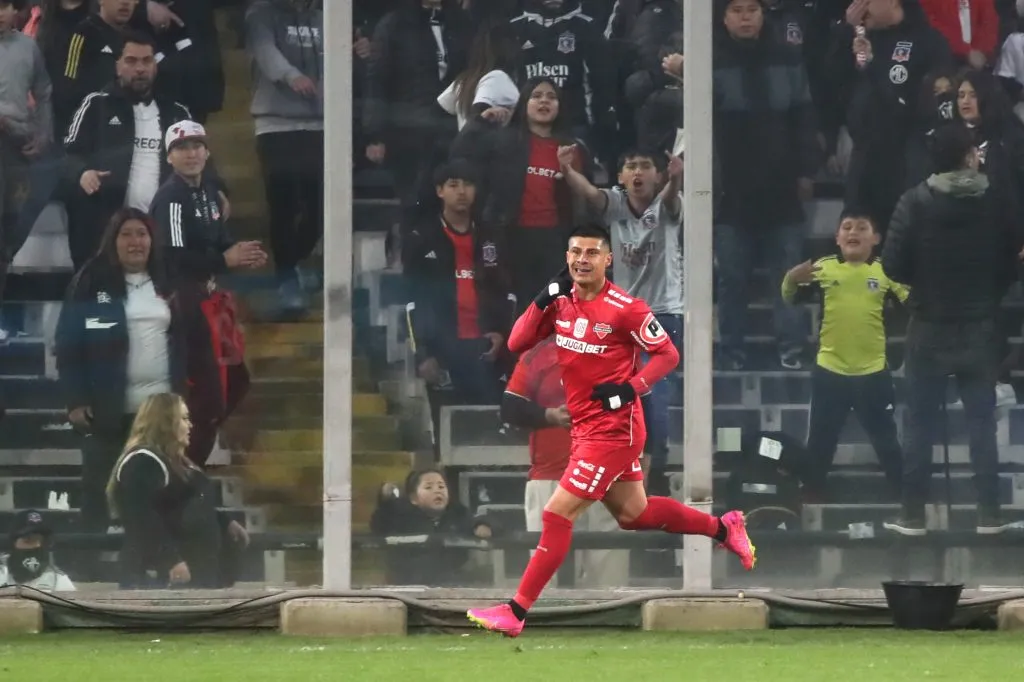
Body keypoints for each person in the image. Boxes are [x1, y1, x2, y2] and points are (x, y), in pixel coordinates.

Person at [466, 224, 755, 638]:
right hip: (587, 429)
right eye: (575, 252)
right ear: (567, 258)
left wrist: (629, 389)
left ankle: (516, 611)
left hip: (614, 431)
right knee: (633, 514)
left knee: (555, 513)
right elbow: (516, 342)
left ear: (608, 259)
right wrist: (542, 297)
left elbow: (667, 354)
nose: (582, 259)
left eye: (591, 252)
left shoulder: (626, 308)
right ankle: (724, 528)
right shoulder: (560, 304)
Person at [881, 123, 1021, 535]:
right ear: (966, 156)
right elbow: (1009, 261)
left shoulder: (914, 201)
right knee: (982, 424)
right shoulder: (995, 199)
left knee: (920, 425)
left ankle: (912, 515)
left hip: (928, 325)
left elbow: (891, 265)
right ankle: (989, 514)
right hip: (979, 327)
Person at [555, 146, 683, 493]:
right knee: (628, 394)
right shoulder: (613, 203)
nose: (638, 172)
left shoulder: (668, 205)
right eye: (631, 166)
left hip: (662, 312)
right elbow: (590, 193)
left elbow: (671, 198)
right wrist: (567, 171)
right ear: (621, 177)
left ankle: (657, 463)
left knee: (651, 389)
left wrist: (676, 178)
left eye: (645, 166)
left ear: (657, 176)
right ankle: (633, 464)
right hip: (621, 316)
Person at [781, 213, 907, 501]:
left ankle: (904, 497)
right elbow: (791, 297)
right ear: (837, 238)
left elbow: (911, 304)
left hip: (873, 372)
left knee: (887, 441)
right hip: (830, 371)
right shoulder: (823, 268)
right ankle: (812, 494)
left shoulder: (886, 271)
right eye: (847, 227)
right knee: (821, 442)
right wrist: (790, 279)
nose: (854, 232)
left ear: (876, 239)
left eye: (862, 228)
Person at [503, 336, 630, 586]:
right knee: (543, 579)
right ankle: (546, 618)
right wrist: (549, 415)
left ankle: (614, 620)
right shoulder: (539, 353)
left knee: (610, 580)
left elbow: (639, 406)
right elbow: (510, 408)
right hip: (551, 476)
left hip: (605, 477)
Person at [107, 393, 249, 588]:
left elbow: (186, 503)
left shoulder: (178, 462)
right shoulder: (143, 461)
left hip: (198, 574)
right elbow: (140, 516)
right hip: (162, 580)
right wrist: (170, 559)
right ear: (164, 424)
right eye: (183, 419)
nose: (190, 425)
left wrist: (224, 522)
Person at [0, 510, 76, 591]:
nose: (37, 545)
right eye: (28, 540)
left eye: (42, 541)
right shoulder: (2, 575)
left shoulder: (58, 580)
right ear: (13, 543)